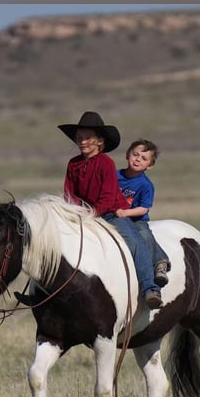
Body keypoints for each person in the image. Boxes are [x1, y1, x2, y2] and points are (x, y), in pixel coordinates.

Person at [21, 111, 162, 309]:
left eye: (88, 137)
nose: (83, 141)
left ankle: (150, 288)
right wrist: (73, 213)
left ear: (100, 141)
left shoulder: (106, 163)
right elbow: (70, 194)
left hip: (110, 214)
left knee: (134, 242)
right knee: (50, 242)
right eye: (79, 137)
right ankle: (41, 293)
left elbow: (107, 197)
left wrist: (90, 215)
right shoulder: (73, 164)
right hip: (82, 215)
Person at [115, 139, 170, 287]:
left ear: (150, 166)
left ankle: (159, 262)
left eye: (144, 158)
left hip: (136, 219)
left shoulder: (146, 185)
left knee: (144, 234)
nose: (138, 159)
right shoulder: (114, 175)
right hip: (115, 216)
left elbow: (144, 208)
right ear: (127, 155)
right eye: (135, 154)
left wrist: (125, 213)